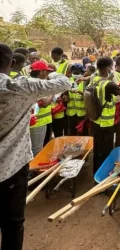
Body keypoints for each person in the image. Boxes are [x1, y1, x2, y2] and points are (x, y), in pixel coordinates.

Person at [0, 43, 71, 250]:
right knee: (12, 224)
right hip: (11, 168)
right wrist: (48, 74)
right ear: (12, 63)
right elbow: (64, 82)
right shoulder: (20, 87)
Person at [90, 57, 120, 174]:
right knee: (106, 151)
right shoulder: (108, 84)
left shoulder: (95, 79)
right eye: (111, 66)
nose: (113, 68)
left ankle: (95, 174)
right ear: (107, 68)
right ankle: (103, 177)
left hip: (95, 121)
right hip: (106, 123)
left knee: (97, 150)